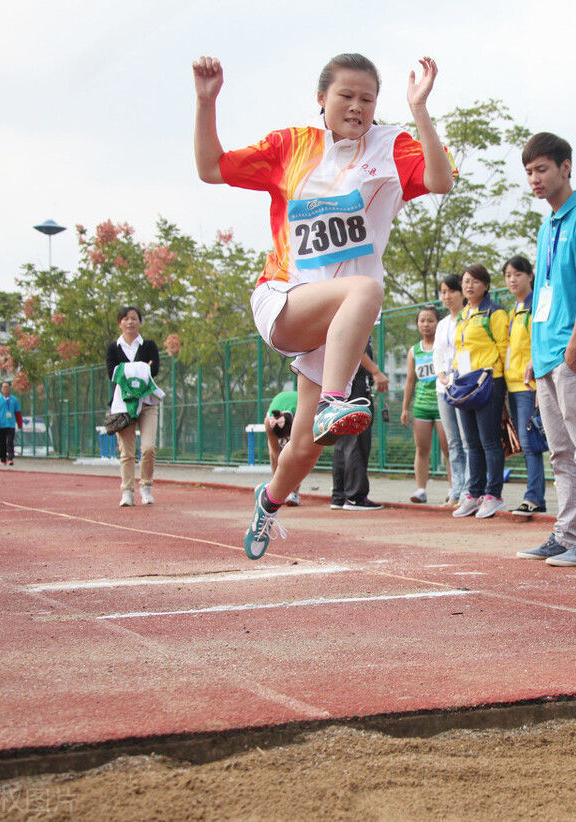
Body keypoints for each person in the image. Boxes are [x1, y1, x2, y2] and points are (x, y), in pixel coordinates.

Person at [193, 52, 454, 559]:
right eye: (346, 96)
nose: (357, 107)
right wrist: (207, 102)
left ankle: (267, 505)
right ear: (321, 99)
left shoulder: (392, 146)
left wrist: (419, 109)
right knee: (367, 288)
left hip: (338, 322)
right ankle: (337, 402)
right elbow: (210, 168)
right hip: (285, 299)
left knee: (308, 447)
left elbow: (442, 181)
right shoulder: (290, 146)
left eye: (367, 99)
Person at [515, 132, 576, 567]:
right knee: (559, 451)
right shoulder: (546, 226)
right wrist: (535, 358)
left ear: (565, 167)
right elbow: (543, 296)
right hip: (547, 354)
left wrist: (575, 343)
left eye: (542, 169)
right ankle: (567, 532)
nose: (535, 179)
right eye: (529, 172)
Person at [451, 264, 509, 519]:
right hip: (465, 383)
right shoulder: (464, 314)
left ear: (485, 285)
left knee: (489, 442)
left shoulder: (494, 313)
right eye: (465, 281)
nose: (469, 286)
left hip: (488, 381)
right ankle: (473, 494)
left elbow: (504, 347)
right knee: (471, 443)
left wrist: (500, 381)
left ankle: (493, 494)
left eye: (475, 281)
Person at [502, 255, 547, 515]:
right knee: (525, 442)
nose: (512, 279)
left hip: (529, 385)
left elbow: (538, 343)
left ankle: (533, 498)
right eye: (508, 275)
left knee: (531, 442)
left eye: (517, 274)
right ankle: (535, 497)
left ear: (530, 276)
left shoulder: (535, 306)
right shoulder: (513, 311)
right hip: (512, 384)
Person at [106, 306, 162, 506]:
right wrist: (140, 368)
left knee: (148, 447)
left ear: (139, 322)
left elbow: (153, 369)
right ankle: (127, 491)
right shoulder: (113, 348)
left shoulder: (149, 345)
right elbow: (113, 374)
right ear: (120, 322)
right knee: (126, 452)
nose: (130, 322)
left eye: (134, 318)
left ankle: (146, 486)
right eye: (126, 319)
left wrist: (127, 370)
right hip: (124, 406)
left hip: (147, 403)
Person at [401, 305, 449, 504]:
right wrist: (405, 407)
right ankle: (421, 489)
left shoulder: (443, 346)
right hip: (421, 405)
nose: (426, 324)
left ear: (438, 323)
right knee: (422, 449)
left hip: (442, 403)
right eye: (422, 320)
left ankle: (453, 489)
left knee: (448, 448)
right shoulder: (414, 351)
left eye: (430, 320)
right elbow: (410, 380)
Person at [331, 345, 388, 511]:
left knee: (343, 441)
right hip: (355, 388)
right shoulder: (356, 323)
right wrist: (376, 372)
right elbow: (355, 348)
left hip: (342, 388)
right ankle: (355, 496)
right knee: (357, 439)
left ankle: (339, 495)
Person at [434, 274, 469, 507]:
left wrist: (459, 376)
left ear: (461, 293)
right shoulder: (442, 324)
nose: (447, 296)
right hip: (443, 388)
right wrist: (441, 375)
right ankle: (455, 489)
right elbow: (437, 353)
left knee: (468, 440)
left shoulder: (468, 318)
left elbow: (468, 349)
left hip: (464, 385)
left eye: (451, 291)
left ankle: (469, 489)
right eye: (443, 292)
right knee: (453, 442)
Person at [263, 388, 301, 506]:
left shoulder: (298, 419)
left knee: (298, 456)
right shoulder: (269, 423)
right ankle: (276, 492)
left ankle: (294, 494)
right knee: (274, 456)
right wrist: (280, 488)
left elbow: (298, 456)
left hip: (301, 405)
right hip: (280, 401)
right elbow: (275, 455)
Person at [0, 381, 23, 467]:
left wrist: (20, 424)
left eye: (7, 387)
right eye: (4, 387)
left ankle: (10, 458)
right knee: (2, 443)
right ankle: (3, 459)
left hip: (10, 424)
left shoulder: (14, 399)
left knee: (10, 442)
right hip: (0, 425)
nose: (6, 389)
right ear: (1, 389)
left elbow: (17, 413)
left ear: (9, 388)